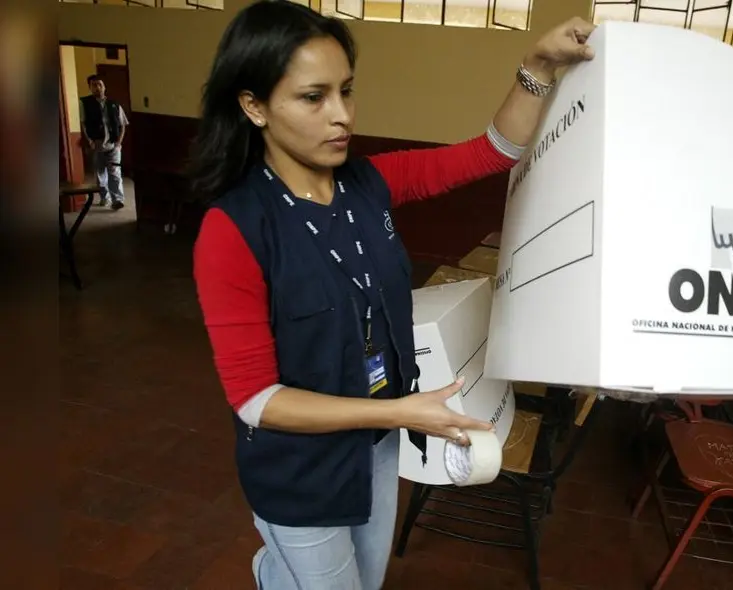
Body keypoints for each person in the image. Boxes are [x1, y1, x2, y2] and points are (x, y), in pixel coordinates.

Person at [189, 2, 595, 588]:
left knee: (369, 580)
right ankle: (276, 566)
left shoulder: (367, 183)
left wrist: (536, 65)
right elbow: (255, 400)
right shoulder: (234, 230)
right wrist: (399, 411)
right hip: (299, 475)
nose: (341, 116)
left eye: (346, 92)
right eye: (313, 97)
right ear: (254, 106)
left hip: (376, 448)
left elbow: (493, 151)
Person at [80, 73, 129, 210]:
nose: (97, 88)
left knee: (115, 172)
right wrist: (89, 141)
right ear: (90, 88)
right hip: (97, 143)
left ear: (104, 86)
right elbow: (83, 124)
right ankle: (104, 197)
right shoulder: (85, 103)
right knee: (100, 173)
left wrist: (119, 142)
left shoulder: (114, 104)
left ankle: (117, 200)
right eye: (94, 85)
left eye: (100, 84)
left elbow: (122, 124)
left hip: (113, 144)